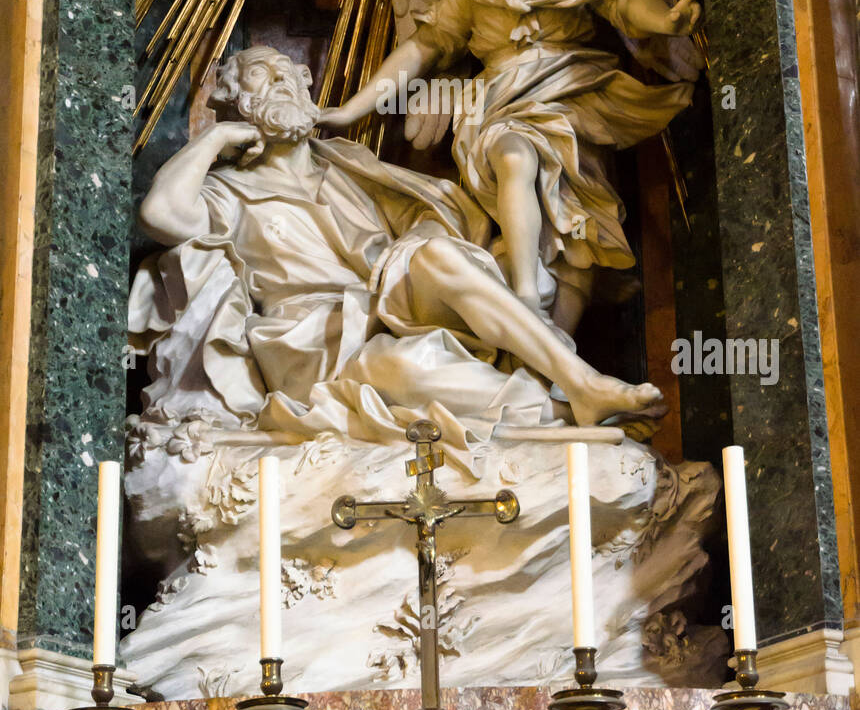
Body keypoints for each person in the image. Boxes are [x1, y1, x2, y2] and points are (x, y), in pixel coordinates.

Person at [132, 46, 664, 452]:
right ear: (240, 106)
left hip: (388, 300)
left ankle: (583, 381)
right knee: (411, 366)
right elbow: (160, 215)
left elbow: (441, 220)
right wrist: (214, 138)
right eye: (259, 78)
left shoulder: (349, 165)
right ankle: (564, 417)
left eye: (286, 74)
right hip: (317, 339)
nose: (280, 83)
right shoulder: (225, 191)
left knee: (433, 255)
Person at [319, 0, 701, 333]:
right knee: (515, 155)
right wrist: (351, 110)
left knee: (573, 227)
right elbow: (426, 46)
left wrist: (667, 22)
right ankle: (524, 296)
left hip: (576, 100)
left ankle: (551, 358)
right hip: (500, 103)